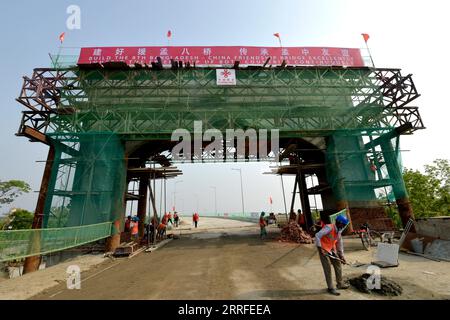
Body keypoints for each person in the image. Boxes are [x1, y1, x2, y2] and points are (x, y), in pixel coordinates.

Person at [315, 215, 350, 296]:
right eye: (344, 224)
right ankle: (330, 287)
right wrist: (320, 249)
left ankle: (340, 283)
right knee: (327, 268)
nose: (344, 226)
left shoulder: (339, 231)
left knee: (338, 263)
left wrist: (341, 256)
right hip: (323, 249)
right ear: (339, 223)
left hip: (331, 249)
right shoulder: (329, 227)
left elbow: (339, 243)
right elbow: (317, 235)